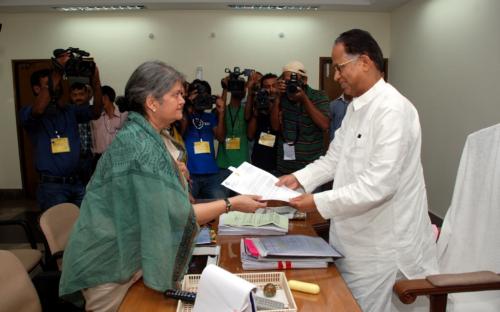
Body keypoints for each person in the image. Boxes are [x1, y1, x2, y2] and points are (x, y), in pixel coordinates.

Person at [59, 61, 267, 312]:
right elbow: (177, 213)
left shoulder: (148, 134)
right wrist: (232, 203)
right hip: (108, 267)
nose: (182, 100)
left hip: (127, 258)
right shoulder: (141, 146)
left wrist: (172, 172)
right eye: (176, 94)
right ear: (152, 102)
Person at [276, 29, 438, 312]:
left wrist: (316, 201)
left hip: (382, 248)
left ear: (364, 61)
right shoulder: (355, 109)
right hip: (351, 240)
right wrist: (298, 178)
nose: (336, 76)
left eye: (340, 68)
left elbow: (379, 186)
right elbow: (333, 160)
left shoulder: (392, 110)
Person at [19, 53, 103, 211]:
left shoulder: (69, 110)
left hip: (77, 183)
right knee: (58, 231)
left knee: (83, 228)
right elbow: (38, 109)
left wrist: (96, 82)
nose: (55, 88)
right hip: (52, 187)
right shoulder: (28, 112)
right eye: (48, 85)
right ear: (37, 89)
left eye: (57, 84)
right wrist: (57, 71)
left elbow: (96, 112)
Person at [271, 61, 330, 175]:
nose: (290, 84)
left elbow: (325, 125)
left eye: (294, 81)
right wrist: (277, 98)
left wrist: (304, 99)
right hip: (285, 166)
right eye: (287, 81)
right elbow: (274, 126)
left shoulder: (318, 96)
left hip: (311, 167)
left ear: (304, 80)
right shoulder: (282, 97)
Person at [181, 79, 227, 199]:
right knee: (187, 205)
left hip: (211, 173)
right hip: (190, 174)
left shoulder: (210, 116)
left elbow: (221, 137)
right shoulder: (183, 115)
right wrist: (187, 104)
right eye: (198, 95)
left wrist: (221, 113)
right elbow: (181, 133)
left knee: (221, 202)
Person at [217, 72, 249, 192]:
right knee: (223, 203)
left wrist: (249, 88)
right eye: (235, 85)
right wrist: (225, 88)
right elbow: (221, 109)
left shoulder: (247, 111)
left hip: (243, 165)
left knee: (242, 204)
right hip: (223, 164)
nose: (238, 89)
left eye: (241, 86)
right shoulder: (223, 110)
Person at [246, 73, 280, 173]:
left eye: (274, 86)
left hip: (278, 163)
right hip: (259, 161)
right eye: (267, 87)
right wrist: (256, 113)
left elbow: (276, 127)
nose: (271, 90)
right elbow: (250, 135)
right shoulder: (258, 103)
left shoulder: (284, 104)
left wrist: (273, 106)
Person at [90, 85, 128, 165]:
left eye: (105, 98)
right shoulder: (95, 117)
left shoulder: (124, 116)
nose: (101, 101)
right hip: (98, 160)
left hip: (118, 159)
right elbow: (92, 138)